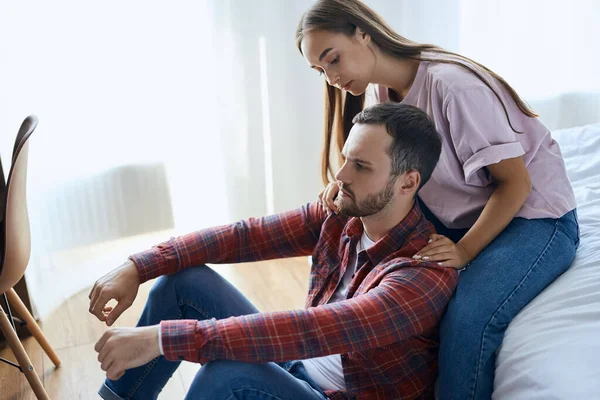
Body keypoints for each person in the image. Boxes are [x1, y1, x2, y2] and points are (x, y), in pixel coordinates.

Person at [296, 1, 580, 398]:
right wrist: (344, 181)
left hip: (534, 216)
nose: (331, 77)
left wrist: (464, 252)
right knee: (354, 229)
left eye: (333, 59)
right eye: (321, 70)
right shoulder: (383, 92)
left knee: (468, 318)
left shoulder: (452, 87)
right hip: (459, 209)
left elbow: (516, 183)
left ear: (363, 33)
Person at [89, 102, 458, 400]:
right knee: (183, 282)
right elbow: (244, 236)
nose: (341, 175)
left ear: (408, 182)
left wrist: (160, 339)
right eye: (345, 158)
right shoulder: (342, 214)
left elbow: (312, 331)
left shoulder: (423, 274)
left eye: (361, 166)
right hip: (300, 367)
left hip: (338, 393)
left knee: (228, 373)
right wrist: (138, 266)